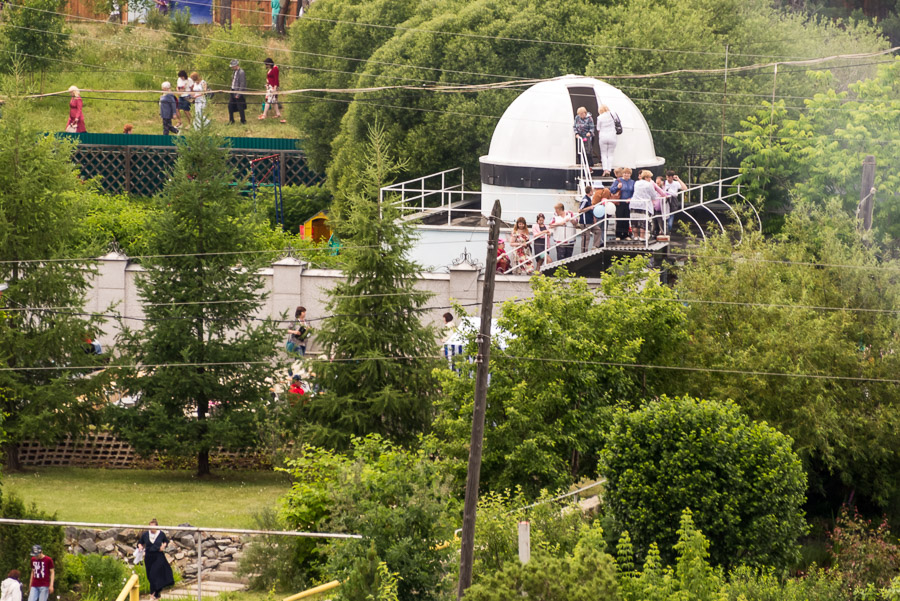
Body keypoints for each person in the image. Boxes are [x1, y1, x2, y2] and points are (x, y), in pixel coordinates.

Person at [138, 520, 174, 601]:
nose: (151, 529)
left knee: (154, 573)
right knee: (150, 576)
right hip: (149, 557)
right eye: (150, 527)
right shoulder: (146, 535)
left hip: (158, 556)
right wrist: (140, 547)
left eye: (153, 527)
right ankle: (157, 594)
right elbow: (140, 542)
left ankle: (152, 595)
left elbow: (166, 541)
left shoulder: (161, 534)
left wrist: (163, 546)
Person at [630, 170, 657, 242]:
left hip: (634, 204)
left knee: (635, 222)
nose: (650, 179)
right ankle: (642, 237)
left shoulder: (636, 183)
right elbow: (654, 196)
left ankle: (635, 237)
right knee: (643, 223)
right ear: (646, 177)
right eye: (649, 177)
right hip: (644, 205)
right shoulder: (649, 184)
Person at [609, 167, 635, 240]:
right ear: (623, 174)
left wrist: (631, 198)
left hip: (628, 203)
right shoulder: (618, 181)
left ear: (630, 174)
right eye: (625, 173)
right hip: (620, 203)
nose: (626, 175)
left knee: (626, 219)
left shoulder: (632, 182)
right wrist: (617, 187)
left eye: (628, 173)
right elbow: (611, 190)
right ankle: (618, 235)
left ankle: (626, 235)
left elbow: (634, 192)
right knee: (619, 219)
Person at [260, 58, 285, 123]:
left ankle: (264, 114)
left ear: (270, 63)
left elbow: (276, 79)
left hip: (273, 87)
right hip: (270, 86)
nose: (266, 66)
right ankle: (278, 114)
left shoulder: (275, 68)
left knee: (268, 100)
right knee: (274, 101)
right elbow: (270, 78)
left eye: (267, 64)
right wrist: (267, 84)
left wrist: (274, 88)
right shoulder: (271, 69)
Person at [595, 105, 618, 176]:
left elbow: (598, 128)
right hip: (612, 136)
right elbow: (617, 121)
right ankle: (609, 170)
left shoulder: (599, 117)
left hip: (603, 137)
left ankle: (605, 170)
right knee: (610, 154)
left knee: (604, 154)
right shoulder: (613, 114)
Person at [663, 170, 687, 234]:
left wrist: (678, 179)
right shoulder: (664, 183)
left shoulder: (675, 183)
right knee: (664, 218)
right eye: (667, 177)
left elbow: (685, 188)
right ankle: (664, 231)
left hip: (672, 201)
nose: (668, 179)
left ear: (672, 177)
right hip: (665, 201)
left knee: (670, 220)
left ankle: (668, 230)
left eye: (669, 177)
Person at [577, 185, 596, 253]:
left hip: (590, 221)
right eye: (592, 191)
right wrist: (590, 208)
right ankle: (584, 252)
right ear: (590, 191)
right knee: (585, 237)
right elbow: (579, 210)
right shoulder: (585, 199)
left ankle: (595, 246)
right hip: (585, 222)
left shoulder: (589, 198)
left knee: (598, 231)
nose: (593, 192)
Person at [228, 59, 247, 125]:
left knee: (240, 107)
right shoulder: (234, 72)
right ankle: (231, 120)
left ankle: (243, 120)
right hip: (232, 91)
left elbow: (242, 84)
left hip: (238, 91)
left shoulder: (241, 72)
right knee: (230, 106)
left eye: (233, 66)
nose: (232, 67)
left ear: (236, 65)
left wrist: (239, 94)